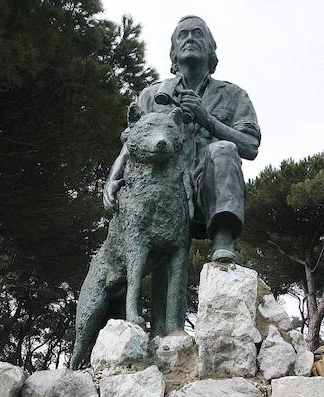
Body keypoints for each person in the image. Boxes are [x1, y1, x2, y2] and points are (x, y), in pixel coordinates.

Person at [102, 15, 260, 264]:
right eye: (182, 35)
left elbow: (250, 147)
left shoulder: (233, 95)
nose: (189, 39)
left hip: (206, 193)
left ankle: (222, 240)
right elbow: (131, 143)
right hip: (162, 193)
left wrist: (207, 119)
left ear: (210, 48)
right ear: (174, 51)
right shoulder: (152, 95)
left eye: (197, 34)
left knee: (224, 149)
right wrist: (113, 178)